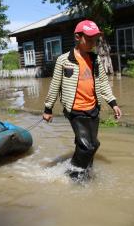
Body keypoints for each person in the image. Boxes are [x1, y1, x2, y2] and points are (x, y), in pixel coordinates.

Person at [42, 20, 122, 182]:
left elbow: (103, 82)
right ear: (78, 37)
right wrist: (48, 109)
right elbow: (55, 84)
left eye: (95, 40)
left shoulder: (95, 59)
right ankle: (72, 175)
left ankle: (86, 173)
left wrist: (113, 103)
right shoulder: (64, 60)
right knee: (89, 146)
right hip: (75, 109)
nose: (93, 43)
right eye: (89, 39)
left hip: (93, 107)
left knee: (89, 144)